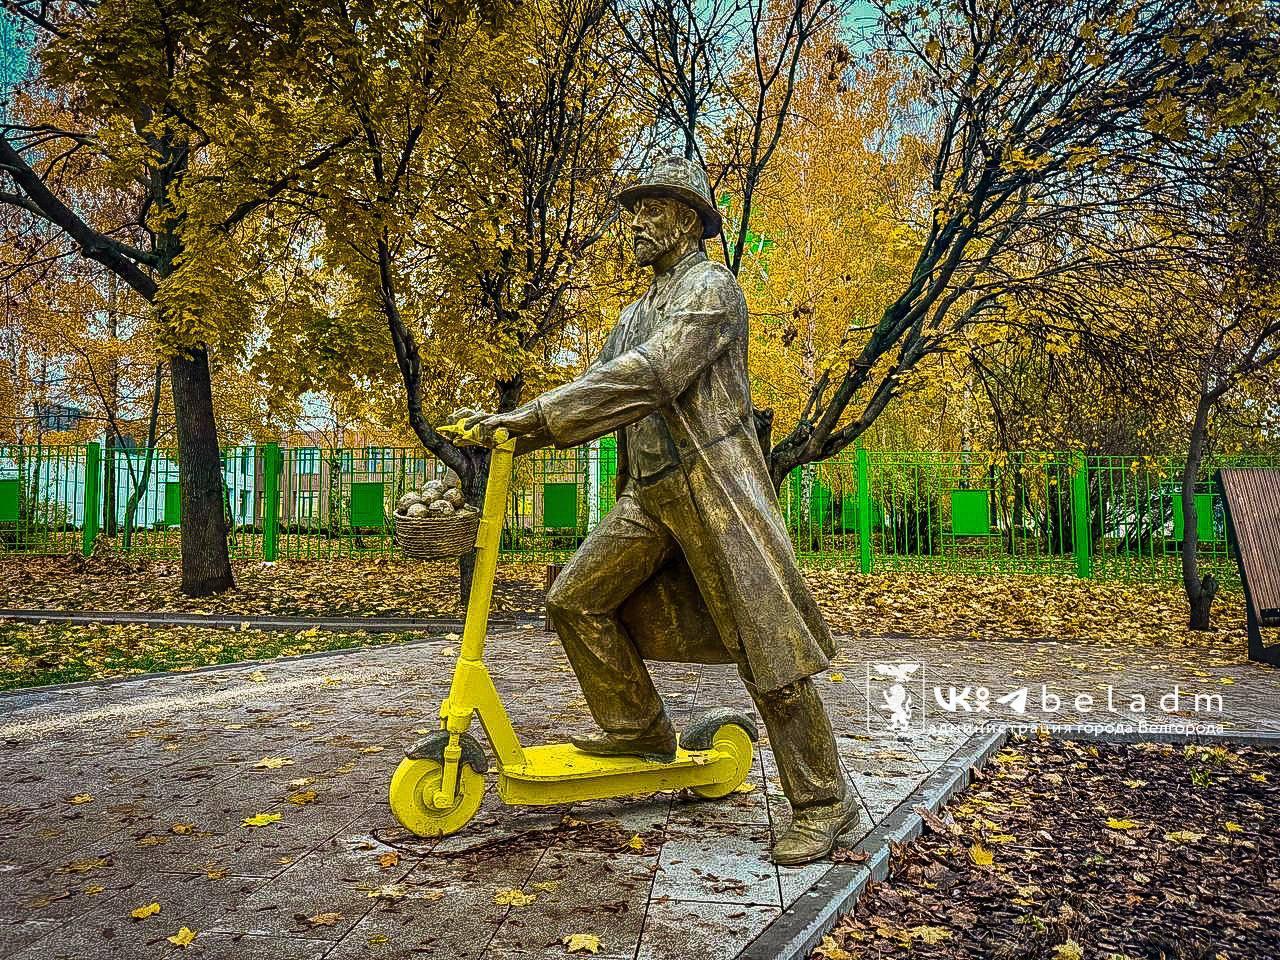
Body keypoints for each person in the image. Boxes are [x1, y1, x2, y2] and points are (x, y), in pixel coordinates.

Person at [457, 155, 860, 865]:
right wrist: (516, 423)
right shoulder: (637, 310)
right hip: (650, 494)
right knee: (576, 599)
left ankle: (826, 801)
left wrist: (536, 418)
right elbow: (600, 384)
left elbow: (651, 375)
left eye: (650, 210)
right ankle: (639, 728)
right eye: (634, 212)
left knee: (766, 649)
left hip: (712, 491)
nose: (636, 224)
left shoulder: (712, 289)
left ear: (686, 218)